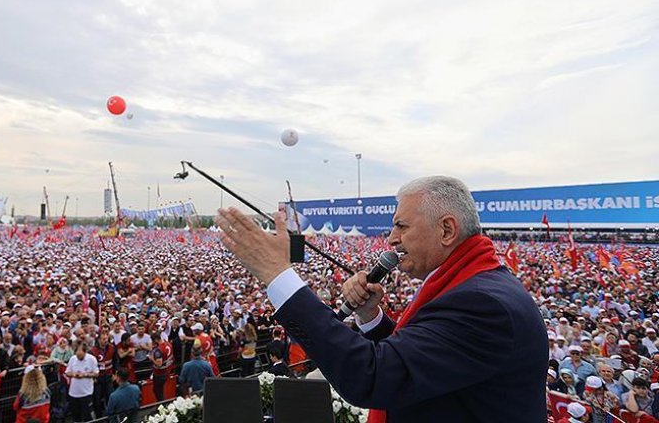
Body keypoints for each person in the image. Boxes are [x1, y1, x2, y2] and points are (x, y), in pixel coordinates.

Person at [215, 176, 548, 422]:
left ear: (447, 230)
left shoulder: (484, 305)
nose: (392, 239)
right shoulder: (473, 284)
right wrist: (372, 318)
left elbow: (374, 376)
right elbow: (420, 364)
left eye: (401, 226)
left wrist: (277, 274)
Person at [65, 341, 98, 422]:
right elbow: (67, 372)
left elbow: (96, 373)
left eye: (81, 355)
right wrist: (73, 374)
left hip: (86, 393)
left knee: (88, 416)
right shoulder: (73, 359)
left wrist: (84, 375)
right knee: (76, 417)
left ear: (85, 351)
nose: (78, 356)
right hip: (73, 393)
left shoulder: (92, 359)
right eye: (77, 354)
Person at [149, 332, 173, 403]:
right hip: (167, 370)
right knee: (161, 390)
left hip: (159, 373)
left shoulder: (158, 350)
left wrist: (151, 358)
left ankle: (161, 405)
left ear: (156, 340)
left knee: (158, 391)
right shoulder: (168, 344)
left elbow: (159, 364)